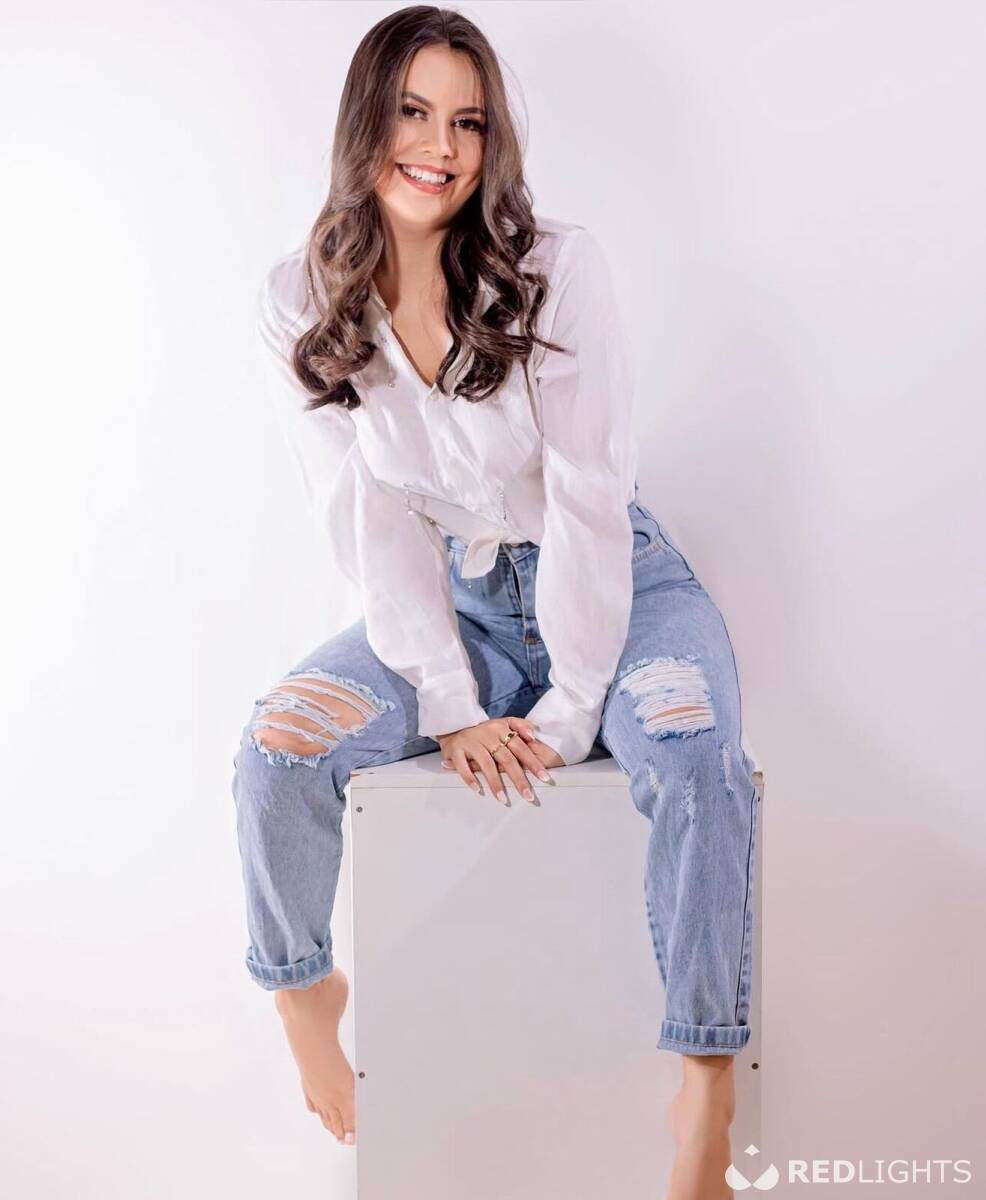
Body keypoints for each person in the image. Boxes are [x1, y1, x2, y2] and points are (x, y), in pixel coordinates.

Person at [231, 7, 759, 1196]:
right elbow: (363, 519)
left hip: (618, 581)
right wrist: (448, 701)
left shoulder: (554, 270)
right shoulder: (297, 300)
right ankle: (303, 990)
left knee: (693, 759)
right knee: (277, 751)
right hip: (450, 604)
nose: (441, 146)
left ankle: (704, 1077)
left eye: (467, 122)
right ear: (363, 121)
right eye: (413, 112)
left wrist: (568, 711)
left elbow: (586, 494)